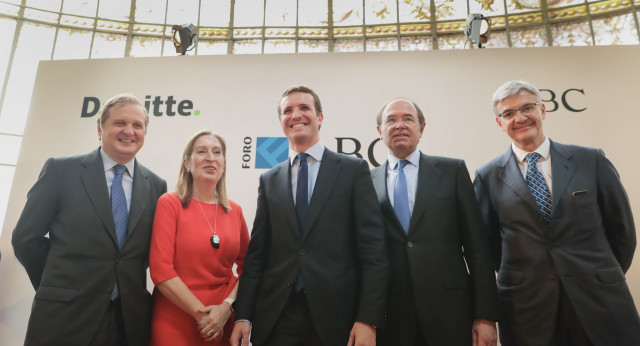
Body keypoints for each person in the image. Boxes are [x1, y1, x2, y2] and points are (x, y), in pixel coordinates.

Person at [473, 80, 640, 345]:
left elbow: (622, 231)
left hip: (600, 300)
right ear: (499, 123)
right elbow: (488, 247)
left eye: (527, 107)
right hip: (527, 309)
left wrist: (599, 273)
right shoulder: (487, 176)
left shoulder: (591, 160)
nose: (520, 117)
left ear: (543, 110)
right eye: (508, 113)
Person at [230, 85, 388, 346]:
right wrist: (243, 315)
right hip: (277, 317)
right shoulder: (269, 180)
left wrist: (368, 319)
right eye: (287, 110)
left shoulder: (352, 170)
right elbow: (258, 254)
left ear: (320, 117)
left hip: (338, 317)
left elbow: (373, 251)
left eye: (304, 108)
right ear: (281, 121)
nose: (296, 115)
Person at [12, 93, 167, 345]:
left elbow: (146, 253)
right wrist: (57, 286)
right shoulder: (61, 171)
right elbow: (25, 238)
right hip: (63, 317)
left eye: (137, 125)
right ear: (100, 127)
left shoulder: (157, 185)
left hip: (127, 323)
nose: (129, 131)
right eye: (120, 123)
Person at [371, 98, 498, 346]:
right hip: (393, 317)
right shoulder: (366, 180)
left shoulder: (452, 171)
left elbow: (477, 249)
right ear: (379, 131)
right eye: (391, 120)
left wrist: (486, 316)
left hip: (451, 312)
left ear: (422, 128)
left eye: (408, 118)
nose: (399, 125)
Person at [149, 130, 249, 345]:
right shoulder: (170, 203)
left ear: (223, 163)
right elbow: (161, 270)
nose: (210, 157)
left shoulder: (235, 211)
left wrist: (227, 307)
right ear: (187, 163)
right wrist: (204, 318)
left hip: (223, 320)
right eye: (201, 151)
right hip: (175, 318)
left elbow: (249, 268)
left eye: (217, 152)